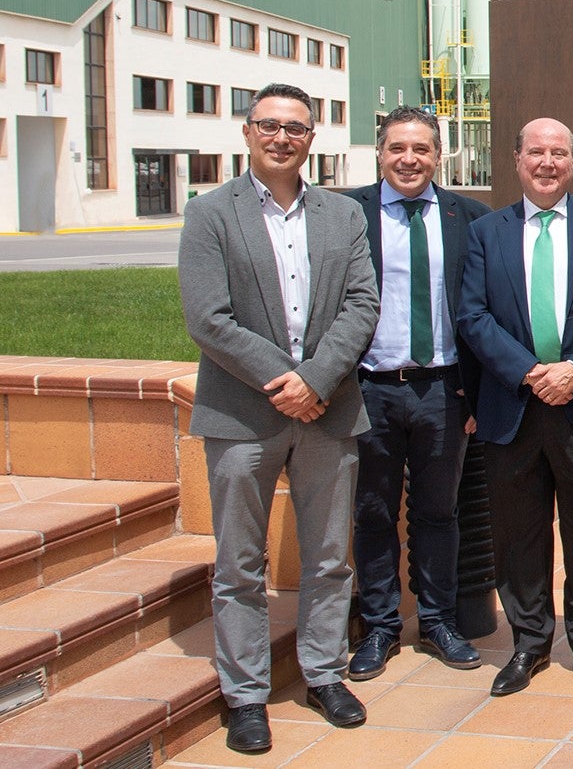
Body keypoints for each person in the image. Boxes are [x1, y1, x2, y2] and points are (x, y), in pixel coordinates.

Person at [178, 83, 379, 753]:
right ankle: (246, 694)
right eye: (269, 125)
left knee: (327, 557)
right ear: (248, 132)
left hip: (327, 411)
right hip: (242, 415)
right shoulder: (210, 213)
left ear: (311, 138)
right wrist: (284, 382)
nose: (282, 138)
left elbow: (361, 304)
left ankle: (323, 673)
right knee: (239, 564)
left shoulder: (342, 215)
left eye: (295, 128)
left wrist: (316, 380)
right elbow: (208, 317)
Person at [457, 118, 573, 697]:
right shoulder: (487, 231)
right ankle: (529, 643)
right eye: (537, 152)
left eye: (559, 152)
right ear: (516, 159)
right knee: (519, 533)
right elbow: (473, 317)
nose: (548, 162)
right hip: (513, 406)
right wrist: (529, 372)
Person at [344, 107, 492, 681]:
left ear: (439, 155)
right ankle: (379, 626)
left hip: (443, 389)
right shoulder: (346, 215)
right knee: (374, 511)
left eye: (422, 149)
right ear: (379, 152)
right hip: (368, 388)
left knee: (438, 511)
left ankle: (437, 620)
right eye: (397, 148)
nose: (410, 159)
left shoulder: (467, 218)